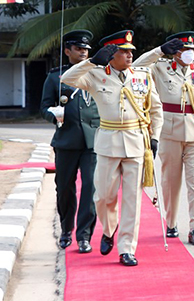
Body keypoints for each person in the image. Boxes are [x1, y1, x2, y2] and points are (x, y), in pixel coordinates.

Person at [61, 30, 163, 266]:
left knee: (132, 200)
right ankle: (109, 230)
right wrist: (91, 61)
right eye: (123, 51)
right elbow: (66, 78)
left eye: (131, 51)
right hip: (107, 144)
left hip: (137, 143)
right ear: (110, 54)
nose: (129, 56)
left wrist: (154, 137)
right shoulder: (95, 74)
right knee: (103, 197)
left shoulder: (142, 76)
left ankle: (127, 248)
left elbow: (155, 110)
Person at [133, 31, 194, 246]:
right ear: (175, 52)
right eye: (184, 50)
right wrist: (160, 51)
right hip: (169, 133)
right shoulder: (160, 67)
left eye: (191, 50)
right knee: (170, 181)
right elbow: (136, 66)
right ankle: (171, 223)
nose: (189, 53)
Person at [40, 30, 99, 253]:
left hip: (92, 142)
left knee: (90, 189)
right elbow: (44, 107)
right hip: (66, 141)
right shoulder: (56, 77)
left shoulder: (97, 73)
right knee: (64, 189)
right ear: (68, 51)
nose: (83, 52)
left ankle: (84, 235)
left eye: (86, 49)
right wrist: (53, 114)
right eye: (78, 49)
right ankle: (66, 229)